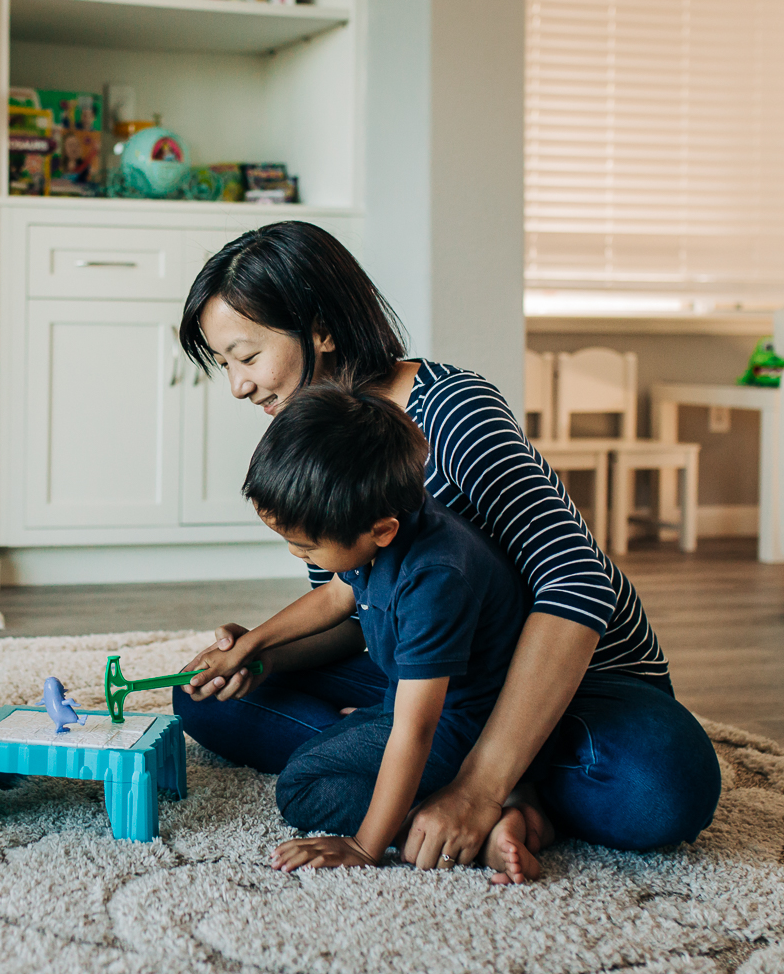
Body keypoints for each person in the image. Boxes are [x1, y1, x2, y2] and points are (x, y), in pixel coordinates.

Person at [173, 221, 720, 881]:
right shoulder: (315, 437)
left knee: (662, 788)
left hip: (569, 676)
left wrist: (479, 788)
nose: (237, 385)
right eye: (224, 364)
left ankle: (478, 783)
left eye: (247, 356)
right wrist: (259, 651)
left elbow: (577, 584)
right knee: (207, 696)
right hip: (439, 666)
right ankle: (466, 775)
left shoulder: (452, 412)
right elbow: (356, 608)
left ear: (318, 327)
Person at [188, 384, 535, 878]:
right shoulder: (382, 521)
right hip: (407, 693)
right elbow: (336, 595)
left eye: (305, 546)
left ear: (382, 530)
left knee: (303, 785)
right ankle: (510, 804)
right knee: (213, 698)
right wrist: (251, 644)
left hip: (462, 722)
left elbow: (415, 728)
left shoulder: (435, 577)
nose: (295, 554)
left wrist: (366, 847)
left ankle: (452, 829)